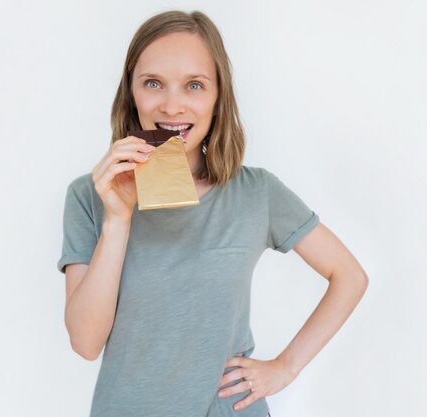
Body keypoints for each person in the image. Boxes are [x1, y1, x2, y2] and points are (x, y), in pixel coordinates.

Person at [57, 10, 368, 417]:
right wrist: (118, 219)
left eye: (194, 85)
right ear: (131, 92)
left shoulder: (257, 192)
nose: (172, 105)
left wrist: (285, 368)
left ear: (218, 96)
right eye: (153, 83)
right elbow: (85, 342)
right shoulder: (88, 195)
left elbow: (349, 276)